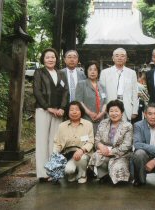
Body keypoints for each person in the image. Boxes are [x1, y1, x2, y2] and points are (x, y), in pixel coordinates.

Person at [33, 48, 69, 181]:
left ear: (56, 59)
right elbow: (37, 91)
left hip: (58, 112)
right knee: (42, 141)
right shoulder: (39, 72)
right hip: (43, 110)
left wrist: (62, 108)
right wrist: (48, 107)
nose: (50, 59)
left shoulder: (61, 74)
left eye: (53, 57)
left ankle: (53, 172)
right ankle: (43, 173)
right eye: (47, 57)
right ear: (43, 59)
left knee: (54, 142)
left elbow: (65, 92)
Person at [89, 100, 133, 184]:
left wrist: (110, 152)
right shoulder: (103, 123)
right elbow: (97, 139)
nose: (114, 113)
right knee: (97, 156)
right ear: (108, 112)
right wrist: (101, 146)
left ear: (122, 112)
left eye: (116, 111)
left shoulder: (127, 126)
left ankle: (118, 177)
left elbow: (127, 145)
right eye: (111, 111)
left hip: (121, 154)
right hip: (104, 151)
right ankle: (104, 175)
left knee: (119, 174)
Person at [53, 101, 94, 184]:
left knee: (81, 158)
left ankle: (83, 174)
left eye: (77, 110)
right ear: (68, 112)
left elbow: (90, 141)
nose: (74, 112)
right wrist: (55, 156)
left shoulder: (88, 124)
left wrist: (82, 150)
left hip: (83, 153)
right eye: (71, 110)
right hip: (68, 154)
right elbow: (57, 143)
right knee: (69, 170)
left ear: (81, 111)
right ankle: (73, 173)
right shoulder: (62, 126)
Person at [99, 48, 138, 122]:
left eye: (122, 56)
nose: (119, 58)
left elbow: (134, 92)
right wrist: (103, 109)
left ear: (126, 58)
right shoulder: (105, 72)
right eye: (117, 56)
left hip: (126, 107)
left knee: (125, 131)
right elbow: (102, 93)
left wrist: (134, 110)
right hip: (110, 107)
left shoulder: (132, 73)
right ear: (113, 58)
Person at [75, 61, 107, 135]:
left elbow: (105, 102)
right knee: (86, 140)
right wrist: (89, 113)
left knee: (99, 141)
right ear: (86, 71)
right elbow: (79, 101)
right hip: (86, 118)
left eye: (95, 70)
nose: (93, 72)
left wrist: (101, 114)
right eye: (90, 69)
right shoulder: (81, 84)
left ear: (98, 72)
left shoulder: (102, 86)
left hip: (101, 118)